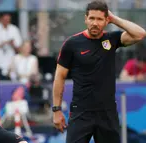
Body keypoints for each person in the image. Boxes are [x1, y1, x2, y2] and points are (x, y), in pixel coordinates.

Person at [52, 1, 146, 143]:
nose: (95, 23)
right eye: (92, 18)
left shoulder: (112, 39)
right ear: (86, 19)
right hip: (80, 112)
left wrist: (115, 19)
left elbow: (140, 34)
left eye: (100, 19)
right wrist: (56, 110)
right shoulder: (72, 44)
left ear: (106, 20)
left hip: (107, 113)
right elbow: (59, 77)